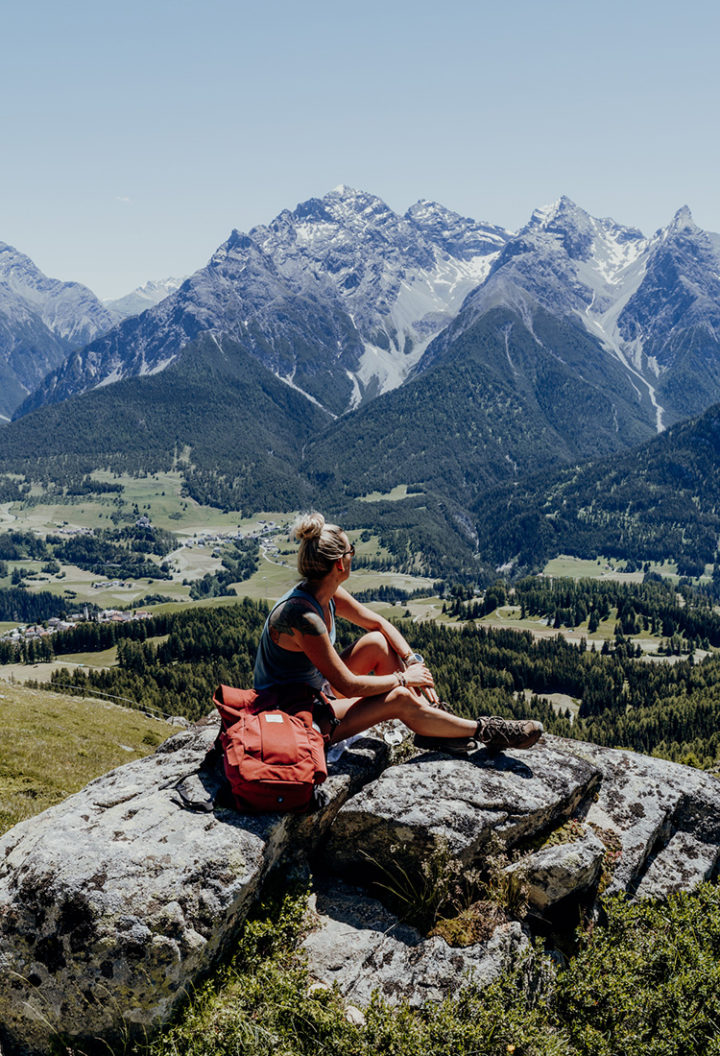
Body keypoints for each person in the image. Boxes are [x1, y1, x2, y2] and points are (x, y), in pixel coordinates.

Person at [253, 512, 543, 754]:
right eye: (351, 551)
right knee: (400, 697)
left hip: (314, 692)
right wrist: (404, 679)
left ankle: (433, 723)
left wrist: (412, 661)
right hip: (294, 716)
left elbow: (379, 625)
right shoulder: (303, 617)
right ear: (340, 563)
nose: (353, 557)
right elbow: (349, 686)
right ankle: (486, 730)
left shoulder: (324, 593)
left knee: (378, 643)